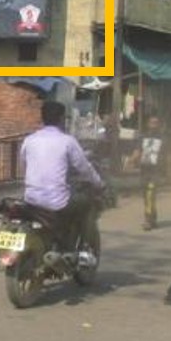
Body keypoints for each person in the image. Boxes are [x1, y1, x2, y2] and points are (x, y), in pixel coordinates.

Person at [19, 100, 105, 258]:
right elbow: (84, 168)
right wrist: (98, 183)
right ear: (60, 119)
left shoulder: (29, 140)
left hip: (31, 199)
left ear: (42, 118)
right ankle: (85, 251)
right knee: (87, 203)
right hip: (56, 202)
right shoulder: (67, 141)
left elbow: (24, 165)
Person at [132, 115, 166, 230]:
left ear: (159, 124)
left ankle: (148, 221)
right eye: (152, 122)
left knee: (150, 194)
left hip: (155, 172)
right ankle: (153, 218)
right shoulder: (142, 137)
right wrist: (131, 161)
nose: (154, 125)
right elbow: (137, 151)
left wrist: (168, 172)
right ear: (148, 124)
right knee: (147, 197)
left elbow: (168, 156)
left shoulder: (163, 138)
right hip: (144, 170)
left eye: (156, 123)